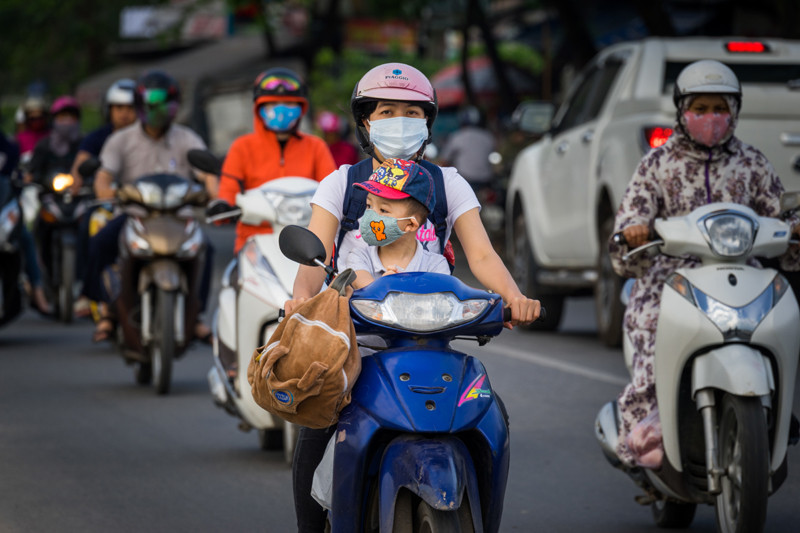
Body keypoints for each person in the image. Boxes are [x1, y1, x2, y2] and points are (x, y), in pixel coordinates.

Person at [284, 62, 541, 532]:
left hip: (434, 342)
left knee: (491, 414)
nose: (399, 120)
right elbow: (313, 258)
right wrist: (301, 299)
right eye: (386, 111)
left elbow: (480, 257)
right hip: (356, 344)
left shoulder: (448, 184)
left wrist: (513, 297)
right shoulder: (343, 183)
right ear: (366, 121)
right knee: (318, 421)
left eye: (411, 111)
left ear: (426, 122)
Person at [608, 59, 800, 467]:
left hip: (743, 271)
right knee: (650, 324)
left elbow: (778, 214)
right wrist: (636, 231)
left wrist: (794, 228)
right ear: (682, 110)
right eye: (701, 108)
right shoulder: (657, 165)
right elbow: (628, 223)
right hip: (669, 275)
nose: (711, 118)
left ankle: (780, 407)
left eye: (721, 108)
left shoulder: (753, 163)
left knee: (781, 317)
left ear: (735, 111)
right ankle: (646, 425)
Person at [84, 70, 213, 343]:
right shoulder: (120, 140)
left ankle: (197, 315)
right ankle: (107, 309)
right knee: (98, 245)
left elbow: (208, 176)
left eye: (165, 103)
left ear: (176, 106)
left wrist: (216, 194)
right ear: (140, 106)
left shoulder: (187, 138)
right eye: (151, 104)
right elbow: (103, 177)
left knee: (206, 250)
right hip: (134, 216)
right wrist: (108, 192)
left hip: (179, 218)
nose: (158, 110)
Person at [211, 67, 336, 254]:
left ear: (302, 109)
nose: (281, 109)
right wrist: (222, 206)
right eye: (273, 103)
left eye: (289, 103)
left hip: (308, 242)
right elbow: (229, 190)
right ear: (258, 109)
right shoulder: (242, 147)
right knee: (232, 282)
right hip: (255, 241)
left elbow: (333, 190)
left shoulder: (316, 146)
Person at [70, 79, 138, 318]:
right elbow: (81, 165)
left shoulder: (146, 137)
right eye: (119, 108)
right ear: (108, 110)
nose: (124, 114)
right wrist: (76, 182)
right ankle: (86, 288)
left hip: (143, 204)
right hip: (108, 201)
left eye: (130, 108)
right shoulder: (98, 137)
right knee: (88, 225)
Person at [348, 157, 450, 288]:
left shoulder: (436, 265)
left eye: (383, 210)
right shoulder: (359, 257)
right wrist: (383, 286)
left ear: (410, 224)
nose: (371, 215)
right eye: (368, 206)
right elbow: (365, 288)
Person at [438, 105, 496, 193]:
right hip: (486, 180)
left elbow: (444, 160)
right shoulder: (488, 136)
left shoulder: (458, 136)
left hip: (465, 179)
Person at [15, 96, 49, 161]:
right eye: (33, 119)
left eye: (40, 118)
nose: (37, 122)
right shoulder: (19, 138)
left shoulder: (52, 135)